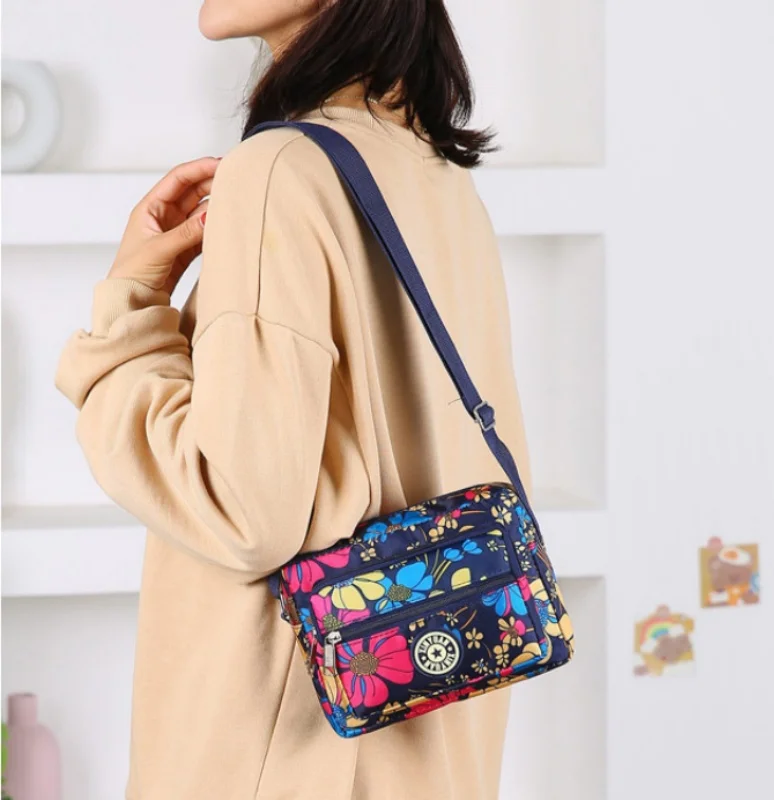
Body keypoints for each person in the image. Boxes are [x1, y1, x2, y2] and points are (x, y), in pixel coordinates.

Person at [55, 1, 536, 798]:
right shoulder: (426, 162)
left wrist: (129, 316)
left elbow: (242, 511)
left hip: (289, 756)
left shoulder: (280, 168)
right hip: (418, 753)